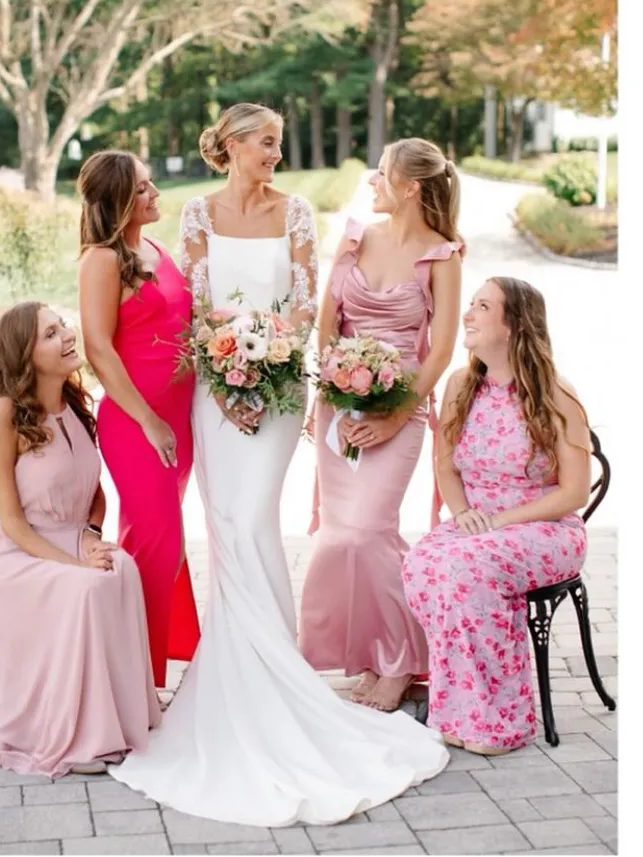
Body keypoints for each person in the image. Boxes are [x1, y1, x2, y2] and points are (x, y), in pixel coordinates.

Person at [110, 103, 448, 826]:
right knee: (225, 523)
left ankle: (278, 673)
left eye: (279, 143)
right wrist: (224, 377)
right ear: (233, 144)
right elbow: (194, 309)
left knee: (255, 516)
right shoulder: (195, 214)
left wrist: (265, 362)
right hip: (213, 392)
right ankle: (239, 675)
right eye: (266, 142)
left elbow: (302, 306)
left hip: (279, 389)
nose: (275, 153)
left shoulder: (295, 212)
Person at [0, 303, 160, 778]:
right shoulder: (6, 415)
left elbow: (95, 494)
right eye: (50, 333)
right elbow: (11, 521)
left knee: (121, 567)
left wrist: (90, 539)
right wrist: (73, 564)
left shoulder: (76, 407)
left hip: (68, 540)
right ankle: (77, 737)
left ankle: (120, 719)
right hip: (10, 557)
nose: (68, 335)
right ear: (25, 355)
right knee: (86, 586)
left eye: (62, 325)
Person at [299, 138, 463, 713]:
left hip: (401, 406)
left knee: (369, 532)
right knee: (341, 538)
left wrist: (393, 417)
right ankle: (371, 654)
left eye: (381, 173)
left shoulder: (442, 256)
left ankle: (402, 660)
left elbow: (441, 351)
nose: (371, 181)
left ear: (410, 187)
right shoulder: (355, 238)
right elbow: (327, 325)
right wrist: (333, 392)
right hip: (340, 406)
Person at [402, 277, 590, 755]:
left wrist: (503, 522)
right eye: (471, 304)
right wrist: (462, 511)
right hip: (479, 525)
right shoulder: (461, 385)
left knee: (469, 568)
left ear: (514, 325)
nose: (467, 314)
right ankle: (457, 710)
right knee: (422, 562)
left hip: (545, 528)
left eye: (483, 307)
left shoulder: (556, 395)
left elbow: (573, 492)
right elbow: (445, 466)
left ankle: (498, 722)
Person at [79, 150, 200, 689]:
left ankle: (149, 666)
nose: (155, 195)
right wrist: (149, 421)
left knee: (164, 544)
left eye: (152, 185)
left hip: (178, 421)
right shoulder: (101, 260)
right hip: (137, 424)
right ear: (118, 200)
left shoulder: (155, 248)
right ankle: (133, 681)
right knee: (155, 543)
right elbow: (98, 350)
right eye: (144, 189)